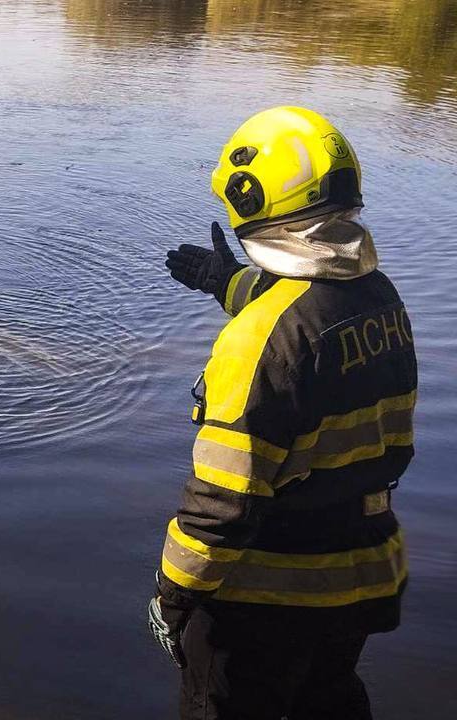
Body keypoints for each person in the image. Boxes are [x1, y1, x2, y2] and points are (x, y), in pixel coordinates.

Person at [151, 106, 415, 719]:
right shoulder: (379, 299)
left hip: (263, 601)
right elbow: (309, 308)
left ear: (253, 200)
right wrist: (226, 281)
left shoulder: (255, 344)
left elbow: (221, 505)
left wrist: (173, 595)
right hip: (360, 579)